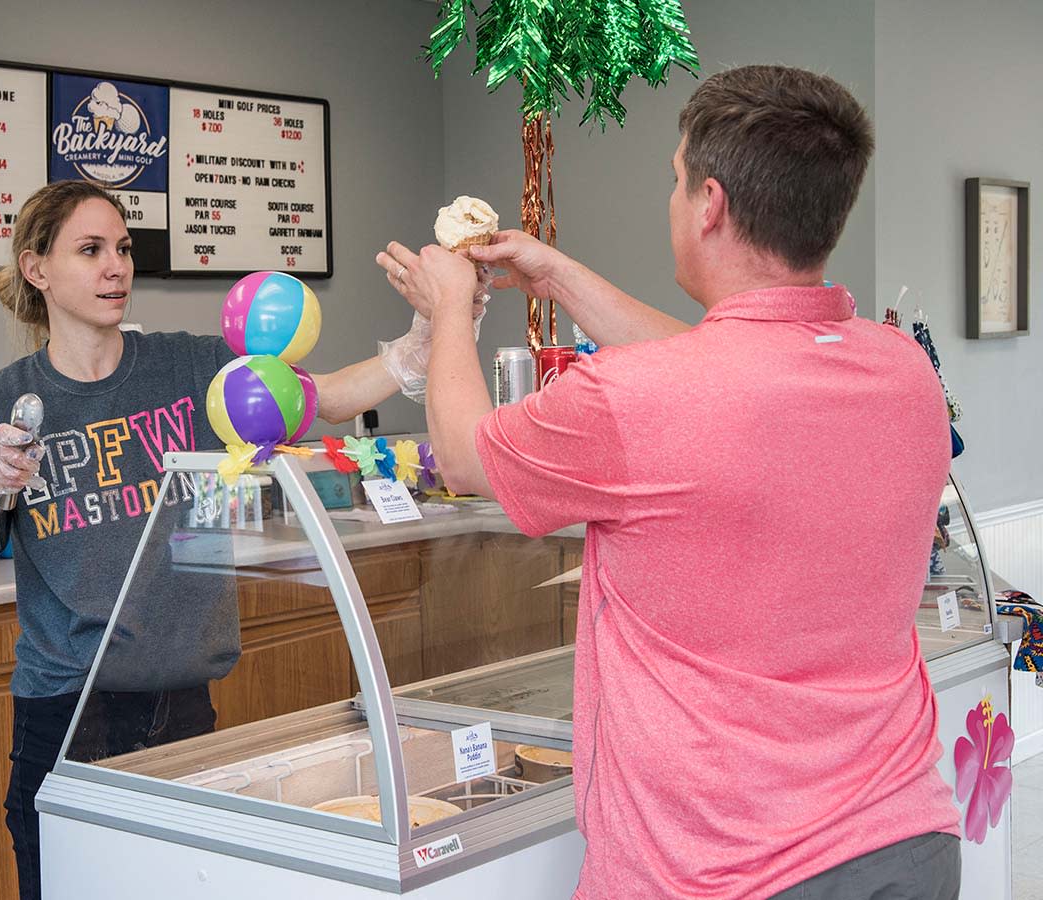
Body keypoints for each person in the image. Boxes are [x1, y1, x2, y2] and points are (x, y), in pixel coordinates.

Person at [377, 65, 961, 900]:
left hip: (722, 875)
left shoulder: (635, 399)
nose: (673, 197)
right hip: (904, 841)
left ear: (711, 203)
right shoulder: (903, 371)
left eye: (676, 179)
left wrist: (446, 312)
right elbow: (721, 365)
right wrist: (559, 277)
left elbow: (468, 458)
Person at [0, 179, 457, 900]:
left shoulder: (191, 368)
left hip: (187, 710)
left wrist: (421, 348)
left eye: (122, 248)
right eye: (90, 250)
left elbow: (320, 398)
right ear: (36, 267)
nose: (116, 267)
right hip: (66, 715)